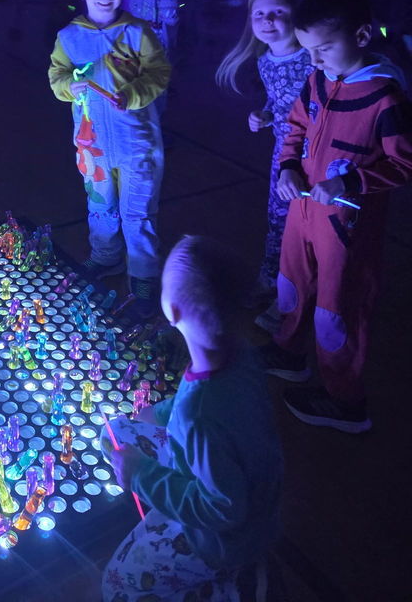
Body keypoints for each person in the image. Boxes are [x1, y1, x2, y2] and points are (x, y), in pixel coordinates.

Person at [262, 0, 412, 432]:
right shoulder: (317, 80)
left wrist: (352, 181)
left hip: (346, 224)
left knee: (337, 307)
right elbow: (295, 127)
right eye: (309, 50)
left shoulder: (385, 97)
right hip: (303, 211)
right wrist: (289, 166)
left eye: (324, 48)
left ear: (362, 37)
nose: (315, 60)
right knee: (292, 282)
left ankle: (345, 400)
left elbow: (404, 162)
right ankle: (289, 353)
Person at [101, 235, 282, 602]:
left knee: (116, 585)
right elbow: (199, 402)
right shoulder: (240, 354)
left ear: (173, 311)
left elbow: (222, 508)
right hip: (247, 486)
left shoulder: (201, 418)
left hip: (220, 536)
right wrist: (162, 414)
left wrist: (142, 476)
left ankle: (227, 581)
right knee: (118, 432)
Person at [48, 0, 171, 321]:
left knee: (138, 214)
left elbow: (159, 73)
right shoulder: (69, 37)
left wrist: (133, 93)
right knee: (100, 207)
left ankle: (144, 278)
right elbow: (57, 77)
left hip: (136, 145)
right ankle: (105, 258)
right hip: (93, 147)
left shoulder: (138, 33)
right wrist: (71, 86)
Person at [215, 0, 313, 333]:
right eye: (259, 14)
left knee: (305, 228)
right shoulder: (264, 61)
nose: (268, 20)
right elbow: (280, 102)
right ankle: (270, 280)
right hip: (282, 156)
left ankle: (295, 296)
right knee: (277, 221)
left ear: (294, 17)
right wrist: (265, 115)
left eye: (277, 13)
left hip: (314, 159)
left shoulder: (313, 58)